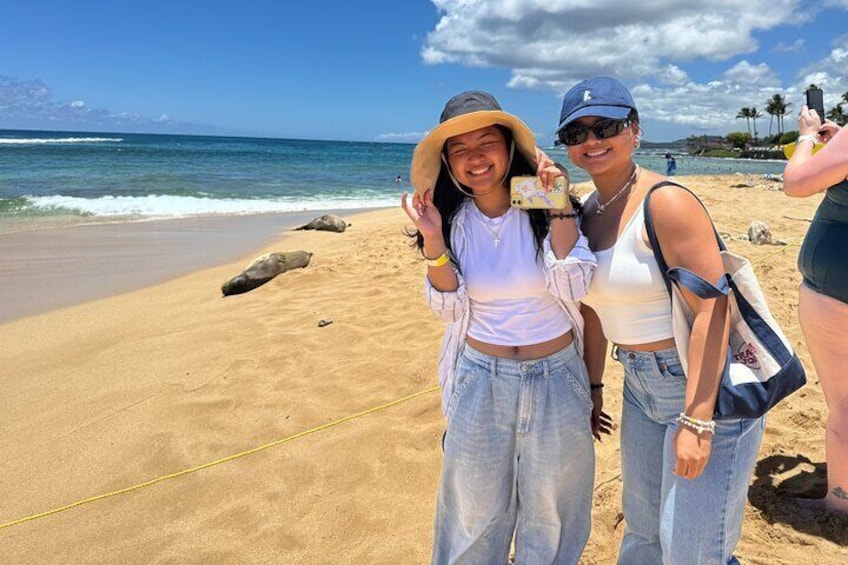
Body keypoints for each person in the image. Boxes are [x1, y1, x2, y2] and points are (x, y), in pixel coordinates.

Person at [555, 76, 764, 564]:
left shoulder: (666, 201)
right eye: (576, 134)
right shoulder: (585, 211)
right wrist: (594, 387)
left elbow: (713, 307)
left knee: (692, 549)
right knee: (644, 534)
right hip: (637, 386)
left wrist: (698, 418)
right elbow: (591, 307)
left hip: (697, 384)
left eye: (605, 126)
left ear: (634, 130)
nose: (591, 141)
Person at [402, 90, 600, 564]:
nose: (475, 158)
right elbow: (449, 310)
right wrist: (432, 239)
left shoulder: (543, 201)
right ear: (448, 163)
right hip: (479, 377)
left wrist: (556, 202)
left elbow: (574, 282)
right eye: (460, 149)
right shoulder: (450, 218)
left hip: (557, 376)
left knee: (551, 514)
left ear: (510, 147)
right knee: (472, 513)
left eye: (486, 142)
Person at [783, 105, 848, 515]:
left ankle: (841, 502)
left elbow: (796, 183)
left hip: (837, 295)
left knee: (845, 403)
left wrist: (807, 135)